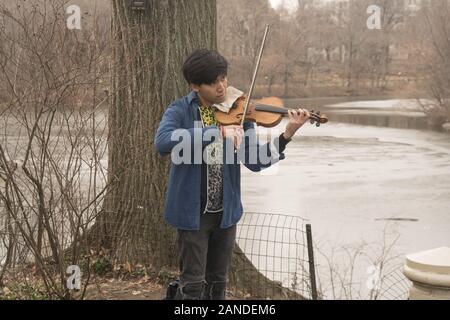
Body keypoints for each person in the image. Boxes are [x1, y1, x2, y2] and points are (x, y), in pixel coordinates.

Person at [154, 49, 310, 300]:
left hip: (225, 214)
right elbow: (162, 142)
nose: (221, 86)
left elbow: (255, 161)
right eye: (213, 82)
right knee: (192, 285)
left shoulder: (239, 113)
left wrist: (287, 134)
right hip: (192, 213)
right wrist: (216, 133)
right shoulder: (180, 110)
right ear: (195, 85)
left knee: (218, 283)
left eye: (223, 78)